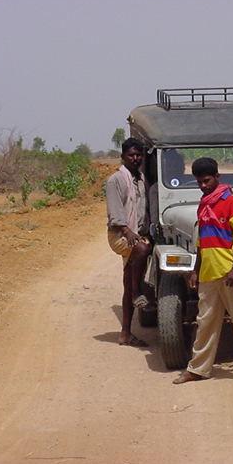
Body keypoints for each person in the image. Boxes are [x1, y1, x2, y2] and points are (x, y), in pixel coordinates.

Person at [173, 157, 233, 385]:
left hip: (230, 273)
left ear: (217, 177)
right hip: (208, 274)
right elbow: (201, 243)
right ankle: (198, 369)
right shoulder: (204, 205)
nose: (203, 185)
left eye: (207, 181)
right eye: (199, 182)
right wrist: (195, 270)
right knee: (205, 322)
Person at [106, 137, 151, 347]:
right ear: (123, 156)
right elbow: (115, 214)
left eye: (138, 155)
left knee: (128, 278)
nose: (135, 158)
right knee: (142, 248)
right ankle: (137, 292)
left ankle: (125, 333)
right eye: (131, 154)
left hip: (136, 234)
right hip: (120, 235)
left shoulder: (141, 179)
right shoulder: (116, 180)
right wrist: (128, 231)